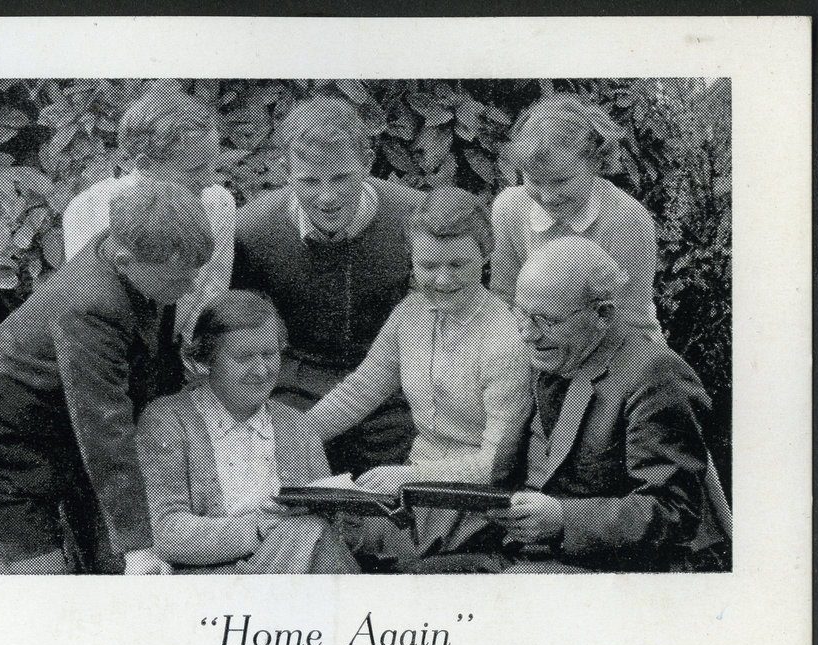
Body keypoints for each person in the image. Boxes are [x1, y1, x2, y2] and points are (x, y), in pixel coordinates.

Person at [0, 179, 214, 574]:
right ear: (122, 256)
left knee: (106, 567)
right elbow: (103, 426)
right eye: (177, 279)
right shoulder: (89, 305)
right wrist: (137, 547)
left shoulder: (144, 248)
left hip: (61, 434)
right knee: (41, 590)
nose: (190, 288)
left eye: (195, 273)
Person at [304, 186, 532, 561]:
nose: (442, 280)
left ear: (485, 257)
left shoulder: (505, 339)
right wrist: (290, 440)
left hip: (475, 504)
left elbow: (496, 464)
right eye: (428, 266)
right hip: (411, 488)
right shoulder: (410, 313)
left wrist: (408, 477)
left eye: (457, 265)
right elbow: (359, 392)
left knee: (349, 547)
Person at [488, 235, 710, 573]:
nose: (528, 334)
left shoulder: (655, 375)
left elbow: (675, 511)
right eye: (521, 315)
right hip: (516, 551)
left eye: (548, 321)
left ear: (603, 314)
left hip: (603, 570)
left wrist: (564, 519)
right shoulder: (552, 353)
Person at [231, 94, 420, 475]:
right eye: (309, 181)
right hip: (294, 390)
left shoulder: (415, 218)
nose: (327, 196)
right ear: (285, 170)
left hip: (395, 394)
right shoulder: (252, 231)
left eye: (341, 178)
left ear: (367, 163)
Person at [136, 291, 360, 574]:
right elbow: (165, 531)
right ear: (207, 359)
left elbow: (335, 530)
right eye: (243, 357)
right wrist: (255, 527)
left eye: (270, 354)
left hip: (299, 566)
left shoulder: (296, 426)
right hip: (212, 581)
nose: (262, 370)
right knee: (307, 530)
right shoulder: (168, 420)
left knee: (311, 529)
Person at [62, 81, 235, 344]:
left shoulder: (216, 203)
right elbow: (91, 306)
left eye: (213, 165)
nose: (210, 180)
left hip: (175, 354)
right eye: (194, 170)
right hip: (110, 349)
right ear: (145, 165)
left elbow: (210, 291)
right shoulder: (88, 210)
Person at [489, 94, 662, 341]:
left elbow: (628, 324)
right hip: (538, 346)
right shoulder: (509, 208)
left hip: (617, 355)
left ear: (596, 163)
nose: (548, 197)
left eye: (562, 181)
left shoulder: (627, 220)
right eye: (535, 181)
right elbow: (504, 300)